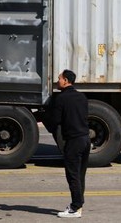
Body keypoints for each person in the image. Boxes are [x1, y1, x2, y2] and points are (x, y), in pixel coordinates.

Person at [43, 69, 90, 218]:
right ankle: (79, 204)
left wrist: (45, 117)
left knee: (72, 175)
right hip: (85, 139)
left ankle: (75, 208)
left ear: (66, 81)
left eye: (59, 78)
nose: (58, 81)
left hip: (74, 141)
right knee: (80, 174)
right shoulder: (82, 97)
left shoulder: (61, 98)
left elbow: (55, 120)